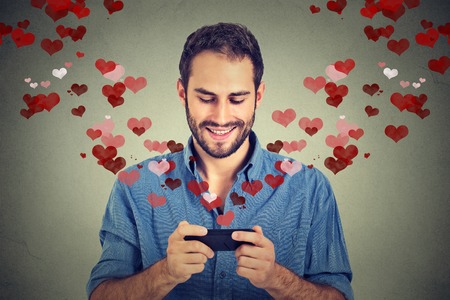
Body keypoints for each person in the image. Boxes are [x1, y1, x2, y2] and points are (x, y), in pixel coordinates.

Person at [87, 22, 353, 299]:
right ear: (183, 94)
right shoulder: (135, 186)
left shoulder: (310, 188)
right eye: (206, 98)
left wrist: (276, 278)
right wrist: (164, 273)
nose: (222, 117)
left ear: (258, 96)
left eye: (237, 99)